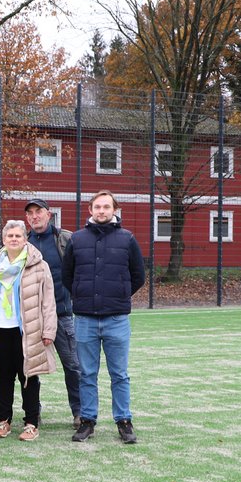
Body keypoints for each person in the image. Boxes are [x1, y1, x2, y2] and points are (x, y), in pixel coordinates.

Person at [63, 190, 146, 444]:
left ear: (114, 210)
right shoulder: (76, 240)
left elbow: (138, 275)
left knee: (119, 374)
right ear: (90, 210)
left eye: (106, 207)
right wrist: (82, 295)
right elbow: (68, 277)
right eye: (97, 207)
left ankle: (123, 421)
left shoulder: (127, 239)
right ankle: (87, 421)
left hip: (116, 319)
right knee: (87, 374)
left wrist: (119, 295)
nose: (101, 211)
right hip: (85, 319)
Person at [0, 220, 57, 442]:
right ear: (4, 239)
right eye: (9, 235)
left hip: (28, 330)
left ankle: (31, 423)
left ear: (25, 238)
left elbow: (48, 301)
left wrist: (48, 330)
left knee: (28, 377)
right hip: (0, 330)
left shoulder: (38, 265)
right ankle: (4, 421)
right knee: (4, 377)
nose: (13, 239)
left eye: (18, 236)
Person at [25, 198, 83, 431]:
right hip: (31, 318)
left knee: (73, 365)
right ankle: (33, 412)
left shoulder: (65, 240)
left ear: (49, 215)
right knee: (31, 368)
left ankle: (79, 412)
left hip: (62, 315)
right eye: (30, 213)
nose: (34, 216)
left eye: (38, 212)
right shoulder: (22, 243)